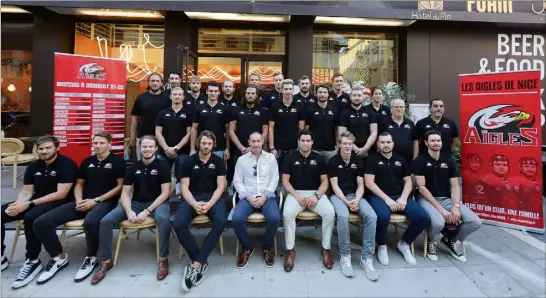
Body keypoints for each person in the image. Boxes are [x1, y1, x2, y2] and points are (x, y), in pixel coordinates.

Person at [29, 132, 126, 284]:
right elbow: (79, 184)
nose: (97, 146)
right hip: (82, 201)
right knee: (41, 222)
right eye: (95, 143)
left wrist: (96, 200)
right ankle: (58, 257)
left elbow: (120, 187)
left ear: (109, 144)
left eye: (101, 143)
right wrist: (79, 200)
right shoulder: (87, 161)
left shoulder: (118, 161)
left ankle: (91, 257)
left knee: (91, 222)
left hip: (105, 202)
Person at [91, 135, 172, 284]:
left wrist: (147, 211)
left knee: (163, 219)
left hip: (157, 203)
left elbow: (166, 193)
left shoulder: (163, 166)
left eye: (150, 146)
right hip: (135, 203)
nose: (147, 149)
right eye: (144, 147)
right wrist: (129, 211)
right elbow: (125, 193)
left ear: (155, 148)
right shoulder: (133, 167)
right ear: (140, 149)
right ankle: (106, 261)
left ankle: (163, 259)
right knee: (105, 221)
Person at [1, 135, 78, 289]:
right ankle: (2, 256)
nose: (44, 151)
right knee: (2, 212)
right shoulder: (33, 166)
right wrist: (17, 204)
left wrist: (28, 204)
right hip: (37, 200)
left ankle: (32, 260)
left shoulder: (66, 164)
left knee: (31, 217)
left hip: (60, 202)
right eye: (41, 148)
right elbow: (27, 191)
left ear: (57, 147)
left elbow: (61, 193)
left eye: (48, 148)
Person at [414, 130, 481, 263]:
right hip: (426, 200)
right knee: (439, 222)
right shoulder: (420, 161)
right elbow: (421, 188)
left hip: (447, 199)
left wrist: (456, 206)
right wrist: (441, 210)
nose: (436, 143)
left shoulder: (448, 160)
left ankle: (451, 240)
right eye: (432, 141)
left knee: (475, 222)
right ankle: (433, 242)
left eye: (438, 140)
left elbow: (455, 186)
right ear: (426, 143)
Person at [174, 130, 228, 292]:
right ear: (198, 143)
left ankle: (197, 263)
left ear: (213, 145)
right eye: (204, 143)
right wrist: (194, 203)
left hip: (213, 198)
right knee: (178, 224)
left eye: (209, 143)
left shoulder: (218, 162)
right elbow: (184, 187)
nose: (206, 146)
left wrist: (210, 203)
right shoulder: (188, 162)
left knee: (220, 222)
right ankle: (201, 260)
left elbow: (221, 186)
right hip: (192, 197)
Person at [365, 132, 430, 267]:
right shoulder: (371, 159)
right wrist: (387, 199)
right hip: (379, 197)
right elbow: (369, 183)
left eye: (388, 142)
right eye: (382, 142)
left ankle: (404, 243)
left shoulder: (401, 160)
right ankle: (382, 246)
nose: (386, 145)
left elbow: (408, 182)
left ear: (393, 143)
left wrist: (404, 198)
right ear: (378, 144)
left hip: (399, 197)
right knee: (383, 216)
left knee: (423, 217)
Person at [281, 129, 335, 272]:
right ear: (298, 142)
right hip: (295, 193)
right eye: (302, 140)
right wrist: (296, 195)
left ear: (312, 142)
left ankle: (326, 249)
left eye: (308, 141)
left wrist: (316, 196)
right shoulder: (290, 158)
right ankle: (291, 250)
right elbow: (285, 182)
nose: (305, 143)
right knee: (287, 214)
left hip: (315, 194)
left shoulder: (319, 158)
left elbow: (325, 182)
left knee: (329, 213)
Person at [328, 131, 378, 280]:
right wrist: (347, 203)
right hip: (338, 196)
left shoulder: (358, 161)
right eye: (344, 143)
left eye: (350, 143)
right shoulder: (333, 161)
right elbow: (335, 187)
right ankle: (345, 255)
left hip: (355, 195)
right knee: (343, 217)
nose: (347, 146)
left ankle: (366, 257)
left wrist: (356, 200)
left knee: (372, 216)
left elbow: (361, 185)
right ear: (339, 145)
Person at [232, 132, 280, 269]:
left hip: (267, 196)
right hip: (248, 197)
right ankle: (247, 248)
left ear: (263, 141)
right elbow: (237, 181)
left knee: (275, 218)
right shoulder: (242, 160)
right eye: (253, 141)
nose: (256, 144)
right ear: (248, 142)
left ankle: (267, 247)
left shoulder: (270, 158)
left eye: (258, 141)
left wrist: (265, 196)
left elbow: (275, 179)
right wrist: (248, 196)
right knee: (236, 219)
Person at [229, 85, 268, 186]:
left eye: (253, 93)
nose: (250, 95)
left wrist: (255, 146)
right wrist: (241, 147)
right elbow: (231, 131)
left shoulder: (263, 111)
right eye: (248, 93)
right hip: (239, 151)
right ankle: (238, 199)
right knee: (238, 178)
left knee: (255, 177)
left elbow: (265, 131)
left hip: (257, 151)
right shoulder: (236, 110)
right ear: (244, 95)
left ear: (257, 95)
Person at [130, 72, 170, 160]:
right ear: (148, 82)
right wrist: (132, 136)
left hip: (162, 138)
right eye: (152, 81)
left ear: (161, 83)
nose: (155, 83)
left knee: (160, 164)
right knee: (142, 162)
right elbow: (135, 118)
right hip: (143, 135)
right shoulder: (141, 98)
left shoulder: (168, 98)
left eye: (157, 81)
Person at [268, 79, 305, 168]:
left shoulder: (299, 106)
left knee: (294, 174)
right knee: (277, 175)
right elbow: (270, 128)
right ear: (282, 90)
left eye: (290, 89)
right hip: (278, 148)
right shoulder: (274, 106)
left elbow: (301, 129)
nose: (288, 91)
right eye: (286, 89)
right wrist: (272, 147)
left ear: (293, 90)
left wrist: (300, 146)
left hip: (294, 147)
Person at [190, 81, 231, 160]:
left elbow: (227, 130)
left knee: (219, 172)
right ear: (206, 92)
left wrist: (227, 148)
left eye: (215, 91)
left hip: (219, 149)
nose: (213, 93)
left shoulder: (224, 109)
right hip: (202, 148)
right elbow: (194, 128)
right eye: (211, 91)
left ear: (219, 92)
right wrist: (192, 149)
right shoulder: (199, 108)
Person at [155, 87, 192, 173]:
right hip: (164, 152)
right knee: (162, 178)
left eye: (179, 94)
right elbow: (158, 132)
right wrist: (166, 148)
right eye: (175, 94)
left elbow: (189, 134)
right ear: (170, 96)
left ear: (183, 97)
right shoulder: (162, 113)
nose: (177, 96)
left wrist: (176, 148)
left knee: (181, 179)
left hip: (183, 152)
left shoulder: (189, 113)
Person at [338, 87, 378, 158]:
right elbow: (342, 134)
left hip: (368, 151)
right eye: (354, 95)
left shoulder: (370, 112)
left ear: (362, 97)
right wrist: (357, 150)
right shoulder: (344, 113)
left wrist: (365, 149)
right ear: (350, 97)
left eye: (359, 95)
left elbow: (374, 132)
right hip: (350, 151)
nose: (357, 98)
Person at [306, 84, 338, 162]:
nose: (322, 94)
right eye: (320, 92)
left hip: (330, 150)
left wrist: (338, 145)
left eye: (325, 92)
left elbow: (336, 129)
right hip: (314, 149)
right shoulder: (310, 109)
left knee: (330, 173)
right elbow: (306, 129)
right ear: (316, 94)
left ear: (328, 94)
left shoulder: (334, 109)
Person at [379, 99, 418, 163]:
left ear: (404, 108)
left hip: (408, 160)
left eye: (401, 107)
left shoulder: (410, 123)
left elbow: (415, 142)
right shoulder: (384, 123)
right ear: (392, 108)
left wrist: (415, 159)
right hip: (389, 161)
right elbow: (379, 142)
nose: (399, 109)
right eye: (396, 107)